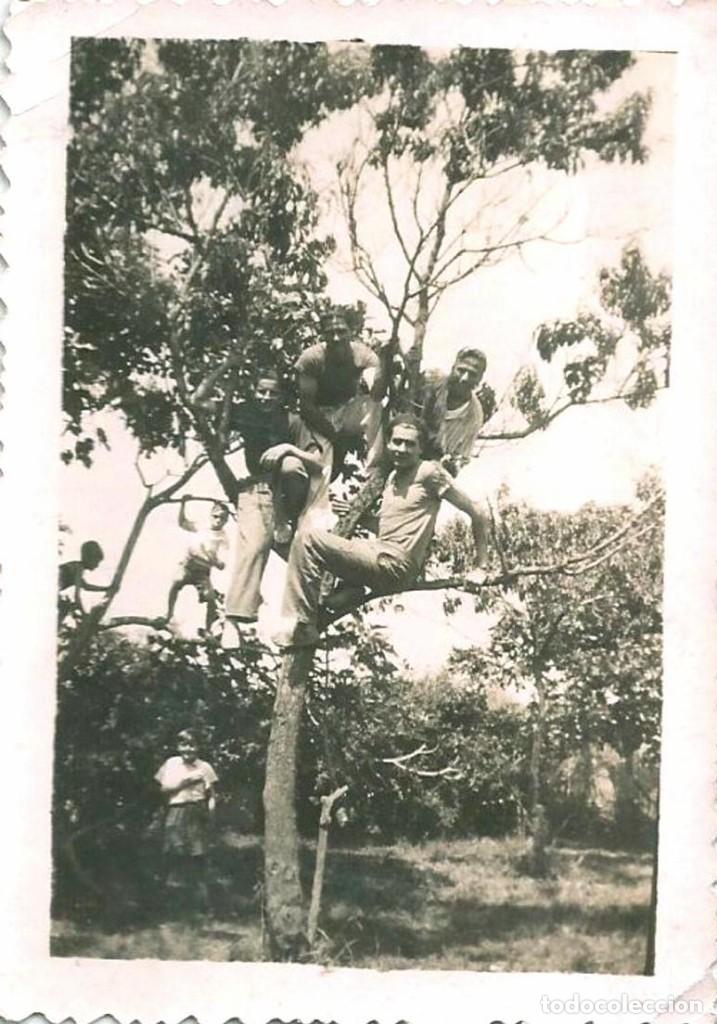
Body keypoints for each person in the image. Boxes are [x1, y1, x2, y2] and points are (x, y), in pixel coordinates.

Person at [275, 414, 489, 648]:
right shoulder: (391, 479)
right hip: (379, 558)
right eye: (396, 442)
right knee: (318, 553)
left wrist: (480, 567)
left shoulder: (429, 472)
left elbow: (477, 511)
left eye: (410, 444)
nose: (401, 448)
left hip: (396, 563)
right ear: (387, 444)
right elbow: (387, 527)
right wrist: (360, 516)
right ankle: (346, 592)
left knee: (308, 539)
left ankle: (301, 625)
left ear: (420, 448)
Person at [192, 363, 330, 627]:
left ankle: (285, 522)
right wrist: (226, 364)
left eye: (273, 393)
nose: (266, 398)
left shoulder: (291, 420)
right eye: (261, 392)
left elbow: (317, 461)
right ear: (253, 391)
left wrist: (288, 449)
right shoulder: (244, 412)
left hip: (291, 492)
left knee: (291, 467)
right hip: (258, 491)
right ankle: (238, 615)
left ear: (281, 396)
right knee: (255, 547)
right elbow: (198, 400)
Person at [295, 313, 386, 476]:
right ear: (322, 334)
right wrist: (334, 436)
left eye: (342, 331)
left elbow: (376, 395)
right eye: (330, 332)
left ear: (351, 331)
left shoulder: (363, 354)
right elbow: (306, 406)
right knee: (321, 470)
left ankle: (373, 469)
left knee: (374, 406)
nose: (336, 337)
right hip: (318, 416)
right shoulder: (311, 358)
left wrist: (385, 363)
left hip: (346, 412)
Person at [154, 729, 218, 916]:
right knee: (174, 857)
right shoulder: (171, 764)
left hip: (197, 813)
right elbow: (163, 790)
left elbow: (212, 795)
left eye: (192, 745)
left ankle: (203, 908)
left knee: (198, 859)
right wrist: (184, 783)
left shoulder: (205, 767)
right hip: (176, 811)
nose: (188, 749)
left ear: (198, 747)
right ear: (178, 746)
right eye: (184, 744)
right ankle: (171, 908)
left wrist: (211, 814)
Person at [416, 347, 487, 474]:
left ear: (480, 379)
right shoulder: (431, 383)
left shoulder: (474, 415)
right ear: (453, 367)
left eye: (472, 374)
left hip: (432, 468)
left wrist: (451, 464)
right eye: (461, 370)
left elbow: (461, 457)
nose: (465, 378)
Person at [165, 499, 229, 630]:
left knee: (210, 598)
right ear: (210, 515)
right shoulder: (201, 526)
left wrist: (211, 557)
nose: (218, 520)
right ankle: (169, 613)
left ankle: (208, 629)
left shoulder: (223, 538)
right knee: (176, 582)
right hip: (188, 565)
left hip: (203, 571)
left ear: (226, 521)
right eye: (215, 516)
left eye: (222, 518)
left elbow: (222, 565)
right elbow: (182, 523)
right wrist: (183, 503)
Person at [59, 540, 109, 610]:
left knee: (66, 605)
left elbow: (86, 586)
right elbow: (77, 596)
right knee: (65, 605)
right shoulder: (78, 568)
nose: (97, 565)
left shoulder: (76, 567)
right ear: (90, 558)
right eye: (96, 561)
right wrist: (83, 613)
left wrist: (106, 589)